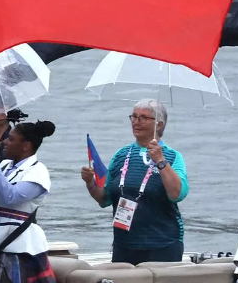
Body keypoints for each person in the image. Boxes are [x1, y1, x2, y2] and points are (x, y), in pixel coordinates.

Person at [81, 99, 189, 265]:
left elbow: (177, 194)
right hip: (124, 245)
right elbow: (105, 199)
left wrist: (160, 160)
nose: (136, 122)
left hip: (162, 245)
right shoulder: (121, 155)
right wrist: (90, 183)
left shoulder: (172, 156)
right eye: (134, 117)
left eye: (143, 118)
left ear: (158, 125)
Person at [0, 120, 57, 283]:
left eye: (11, 139)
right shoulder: (6, 165)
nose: (5, 142)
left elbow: (10, 197)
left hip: (18, 244)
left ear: (26, 146)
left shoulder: (38, 171)